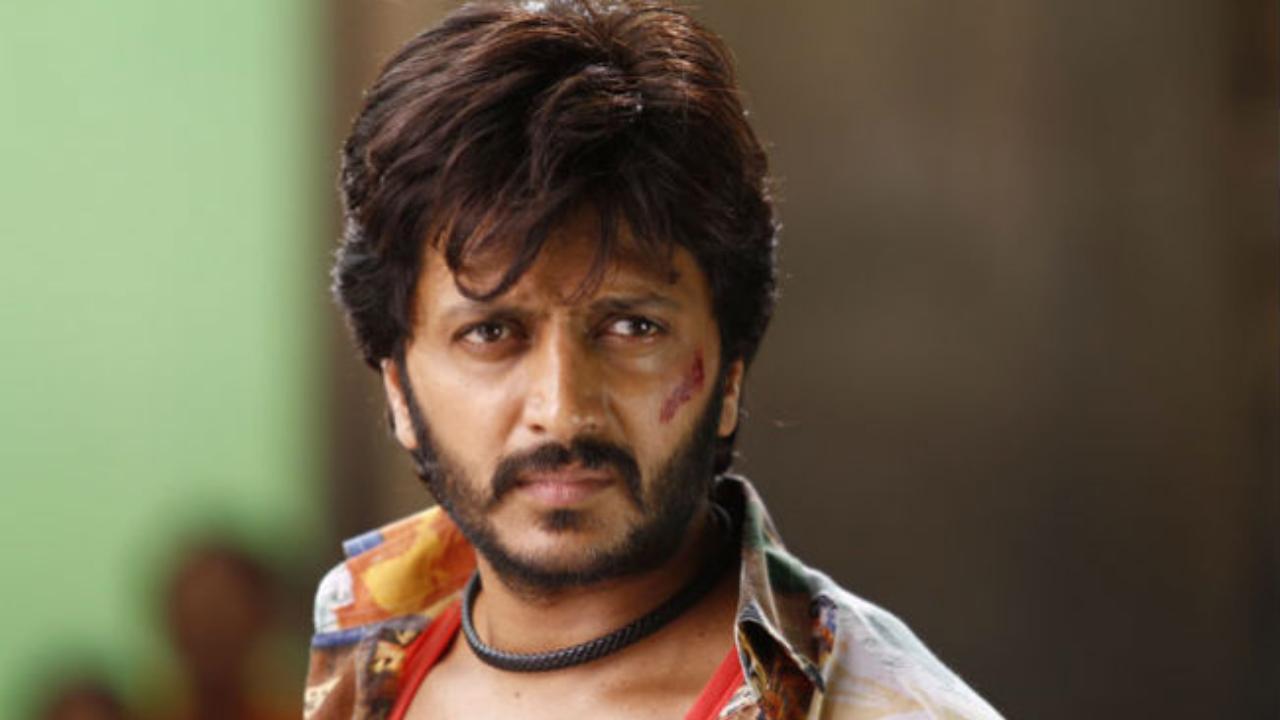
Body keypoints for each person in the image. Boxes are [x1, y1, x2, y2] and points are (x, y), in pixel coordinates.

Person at [305, 1, 1001, 718]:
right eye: (491, 333)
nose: (563, 411)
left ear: (729, 375)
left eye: (632, 327)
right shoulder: (365, 647)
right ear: (398, 388)